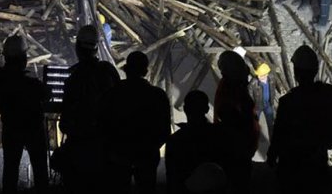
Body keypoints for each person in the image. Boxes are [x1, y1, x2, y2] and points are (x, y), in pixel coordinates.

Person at [267, 45, 332, 194]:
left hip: (291, 164)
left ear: (296, 73)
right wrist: (328, 142)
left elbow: (279, 134)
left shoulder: (288, 102)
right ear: (315, 70)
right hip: (317, 160)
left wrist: (272, 156)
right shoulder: (330, 95)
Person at [60, 25, 121, 194]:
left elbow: (66, 121)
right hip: (105, 148)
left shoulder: (74, 78)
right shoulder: (108, 72)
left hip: (80, 147)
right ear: (96, 48)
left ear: (77, 47)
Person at [99, 51, 171, 194]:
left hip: (119, 155)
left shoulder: (113, 94)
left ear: (126, 70)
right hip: (147, 155)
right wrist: (150, 148)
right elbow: (164, 131)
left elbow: (103, 124)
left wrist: (112, 150)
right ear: (145, 70)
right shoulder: (157, 95)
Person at [0, 36, 49, 194]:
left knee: (10, 167)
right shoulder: (32, 85)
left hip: (11, 127)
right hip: (33, 129)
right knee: (40, 167)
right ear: (24, 58)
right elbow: (46, 95)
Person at [214, 51, 259, 194]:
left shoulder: (232, 89)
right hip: (238, 149)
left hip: (238, 147)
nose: (246, 78)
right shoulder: (233, 92)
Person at [166, 90, 217, 194]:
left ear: (185, 109)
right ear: (207, 109)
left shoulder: (175, 140)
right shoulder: (219, 136)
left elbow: (172, 177)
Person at [248, 63, 275, 138]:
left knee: (271, 124)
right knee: (254, 124)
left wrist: (272, 101)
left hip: (268, 105)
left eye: (261, 75)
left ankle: (272, 140)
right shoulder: (253, 83)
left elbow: (273, 89)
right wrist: (253, 107)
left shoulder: (271, 78)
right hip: (257, 107)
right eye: (258, 75)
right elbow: (250, 97)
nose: (258, 77)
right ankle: (254, 139)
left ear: (266, 74)